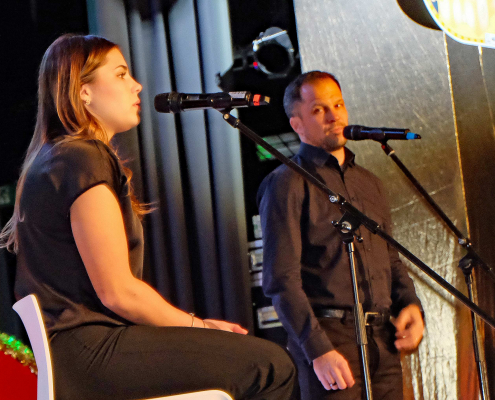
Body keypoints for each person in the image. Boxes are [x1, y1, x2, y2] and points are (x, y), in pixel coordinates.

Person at [0, 34, 296, 400]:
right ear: (83, 91)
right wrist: (200, 327)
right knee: (271, 366)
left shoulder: (57, 159)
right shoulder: (82, 158)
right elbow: (118, 293)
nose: (136, 85)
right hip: (91, 351)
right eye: (121, 74)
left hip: (77, 352)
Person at [257, 71, 425, 400]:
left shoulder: (370, 183)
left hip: (383, 340)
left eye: (338, 105)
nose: (334, 116)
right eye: (319, 109)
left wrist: (411, 304)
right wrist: (317, 350)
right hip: (331, 337)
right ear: (297, 124)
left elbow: (390, 259)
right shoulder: (287, 183)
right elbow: (281, 280)